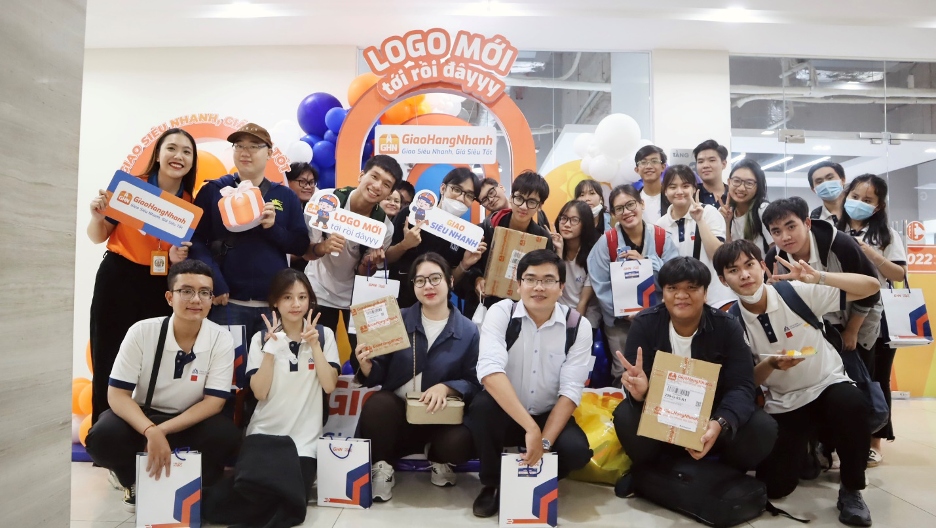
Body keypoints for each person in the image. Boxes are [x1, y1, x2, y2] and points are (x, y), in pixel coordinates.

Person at [713, 240, 881, 527]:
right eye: (733, 270)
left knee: (852, 404)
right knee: (776, 488)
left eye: (750, 265)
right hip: (785, 401)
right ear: (722, 279)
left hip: (827, 384)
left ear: (763, 266)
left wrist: (820, 277)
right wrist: (770, 364)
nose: (744, 274)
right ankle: (807, 451)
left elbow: (871, 286)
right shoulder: (732, 323)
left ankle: (852, 489)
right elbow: (746, 383)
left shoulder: (796, 292)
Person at [85, 259, 241, 511]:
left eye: (204, 293)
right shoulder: (142, 332)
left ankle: (188, 479)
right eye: (186, 291)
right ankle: (131, 479)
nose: (196, 299)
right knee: (102, 436)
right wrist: (149, 430)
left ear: (212, 299)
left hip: (189, 422)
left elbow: (214, 403)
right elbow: (117, 395)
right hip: (143, 418)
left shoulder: (220, 338)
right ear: (169, 297)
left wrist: (162, 431)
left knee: (226, 436)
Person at [611, 257, 777, 490]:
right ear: (663, 293)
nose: (681, 295)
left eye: (691, 288)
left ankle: (725, 477)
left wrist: (719, 423)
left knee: (762, 427)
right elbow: (636, 381)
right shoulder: (645, 323)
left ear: (705, 293)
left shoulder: (727, 326)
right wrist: (640, 392)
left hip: (712, 418)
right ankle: (653, 471)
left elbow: (742, 385)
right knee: (625, 415)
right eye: (672, 288)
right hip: (661, 413)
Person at [468, 249, 593, 518]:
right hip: (506, 410)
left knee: (577, 452)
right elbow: (490, 372)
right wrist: (530, 428)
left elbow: (571, 390)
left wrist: (544, 442)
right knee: (482, 408)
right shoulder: (501, 312)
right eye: (531, 279)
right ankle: (491, 483)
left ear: (561, 287)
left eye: (548, 280)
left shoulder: (577, 326)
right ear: (519, 285)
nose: (539, 287)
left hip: (548, 411)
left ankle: (531, 479)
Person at [87, 128, 197, 424]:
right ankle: (103, 433)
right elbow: (98, 236)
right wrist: (97, 218)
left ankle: (147, 431)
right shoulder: (131, 189)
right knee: (107, 355)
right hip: (118, 277)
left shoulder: (190, 204)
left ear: (192, 161)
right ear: (158, 154)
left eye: (186, 151)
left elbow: (181, 254)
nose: (178, 156)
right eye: (171, 148)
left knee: (152, 362)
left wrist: (177, 258)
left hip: (160, 284)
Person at [355, 253, 481, 501]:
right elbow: (380, 370)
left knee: (461, 441)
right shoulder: (397, 319)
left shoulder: (468, 330)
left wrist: (447, 388)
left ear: (450, 282)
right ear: (413, 286)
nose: (428, 286)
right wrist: (367, 366)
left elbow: (474, 382)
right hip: (399, 415)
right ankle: (382, 465)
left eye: (435, 278)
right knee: (378, 404)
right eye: (420, 280)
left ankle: (438, 457)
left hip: (441, 418)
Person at [189, 123, 311, 350]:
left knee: (271, 368)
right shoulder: (214, 191)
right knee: (227, 369)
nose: (245, 152)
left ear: (269, 153)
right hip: (227, 302)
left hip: (274, 305)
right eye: (239, 146)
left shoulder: (285, 195)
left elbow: (301, 245)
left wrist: (273, 228)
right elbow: (195, 240)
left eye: (254, 146)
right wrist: (214, 280)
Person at [245, 269, 340, 500]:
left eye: (302, 297)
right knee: (252, 496)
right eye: (287, 297)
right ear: (275, 302)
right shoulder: (260, 339)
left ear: (310, 300)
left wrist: (315, 346)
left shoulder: (324, 335)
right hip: (263, 433)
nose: (296, 304)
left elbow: (329, 386)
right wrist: (270, 349)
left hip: (305, 443)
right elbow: (259, 393)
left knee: (291, 498)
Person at [836, 174, 907, 466]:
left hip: (879, 316)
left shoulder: (886, 235)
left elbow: (898, 274)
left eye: (867, 200)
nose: (859, 203)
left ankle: (875, 440)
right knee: (844, 378)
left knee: (876, 378)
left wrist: (870, 253)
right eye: (855, 197)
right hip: (840, 311)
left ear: (878, 206)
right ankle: (841, 439)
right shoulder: (834, 229)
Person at [762, 197, 881, 371]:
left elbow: (872, 291)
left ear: (807, 223)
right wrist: (773, 291)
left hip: (854, 318)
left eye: (791, 227)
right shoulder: (774, 258)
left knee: (862, 378)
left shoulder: (841, 245)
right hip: (810, 328)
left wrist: (852, 330)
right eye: (776, 231)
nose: (785, 237)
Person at [304, 154, 403, 359]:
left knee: (366, 358)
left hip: (357, 298)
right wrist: (323, 247)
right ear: (361, 175)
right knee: (316, 355)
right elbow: (306, 253)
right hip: (318, 289)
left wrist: (370, 263)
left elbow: (362, 272)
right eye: (374, 176)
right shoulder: (326, 200)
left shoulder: (384, 228)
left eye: (386, 184)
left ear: (390, 193)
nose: (377, 186)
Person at [587, 184, 679, 380]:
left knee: (660, 369)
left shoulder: (662, 238)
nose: (627, 212)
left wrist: (647, 263)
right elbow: (600, 284)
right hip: (621, 323)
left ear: (641, 204)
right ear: (613, 214)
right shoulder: (606, 242)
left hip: (659, 318)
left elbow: (674, 280)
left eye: (630, 204)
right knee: (624, 371)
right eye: (619, 208)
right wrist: (625, 313)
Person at [385, 167, 487, 309]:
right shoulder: (413, 213)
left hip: (436, 306)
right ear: (443, 188)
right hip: (400, 301)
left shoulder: (464, 234)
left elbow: (451, 281)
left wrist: (464, 264)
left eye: (469, 195)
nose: (461, 198)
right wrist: (404, 245)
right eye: (457, 190)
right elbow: (386, 258)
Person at [465, 171, 556, 319]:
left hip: (523, 312)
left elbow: (546, 275)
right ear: (511, 197)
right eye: (519, 198)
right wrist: (477, 280)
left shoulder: (543, 239)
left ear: (540, 206)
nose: (524, 207)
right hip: (485, 309)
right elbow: (470, 267)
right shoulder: (485, 230)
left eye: (531, 202)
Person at [655, 165, 734, 308]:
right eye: (672, 187)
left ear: (694, 189)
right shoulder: (660, 225)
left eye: (685, 186)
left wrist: (700, 220)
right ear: (665, 191)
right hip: (682, 300)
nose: (679, 191)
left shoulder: (709, 213)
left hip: (715, 298)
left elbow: (717, 255)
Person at [552, 200, 602, 328]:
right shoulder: (552, 246)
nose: (567, 224)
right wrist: (559, 251)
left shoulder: (594, 253)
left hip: (585, 315)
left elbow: (583, 302)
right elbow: (553, 285)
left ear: (585, 224)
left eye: (574, 220)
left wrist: (574, 330)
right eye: (564, 218)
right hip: (558, 311)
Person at [719, 159, 773, 254]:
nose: (741, 188)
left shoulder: (763, 209)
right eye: (736, 181)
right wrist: (726, 223)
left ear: (758, 186)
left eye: (749, 183)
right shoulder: (726, 211)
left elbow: (775, 250)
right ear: (729, 182)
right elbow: (728, 253)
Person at [477, 176, 551, 231]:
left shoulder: (539, 215)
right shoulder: (486, 228)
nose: (490, 199)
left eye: (491, 192)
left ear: (501, 187)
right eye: (484, 200)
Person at [284, 162, 318, 272]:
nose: (308, 187)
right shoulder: (279, 210)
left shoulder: (316, 210)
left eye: (311, 182)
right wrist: (308, 251)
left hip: (311, 272)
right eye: (302, 182)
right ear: (287, 181)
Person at [634, 144, 667, 223]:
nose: (648, 166)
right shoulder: (633, 200)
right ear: (637, 169)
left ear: (663, 167)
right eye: (643, 162)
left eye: (654, 161)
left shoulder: (672, 197)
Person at [693, 139, 729, 207]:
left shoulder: (734, 195)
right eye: (700, 161)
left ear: (723, 164)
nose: (705, 165)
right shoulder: (691, 194)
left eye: (712, 160)